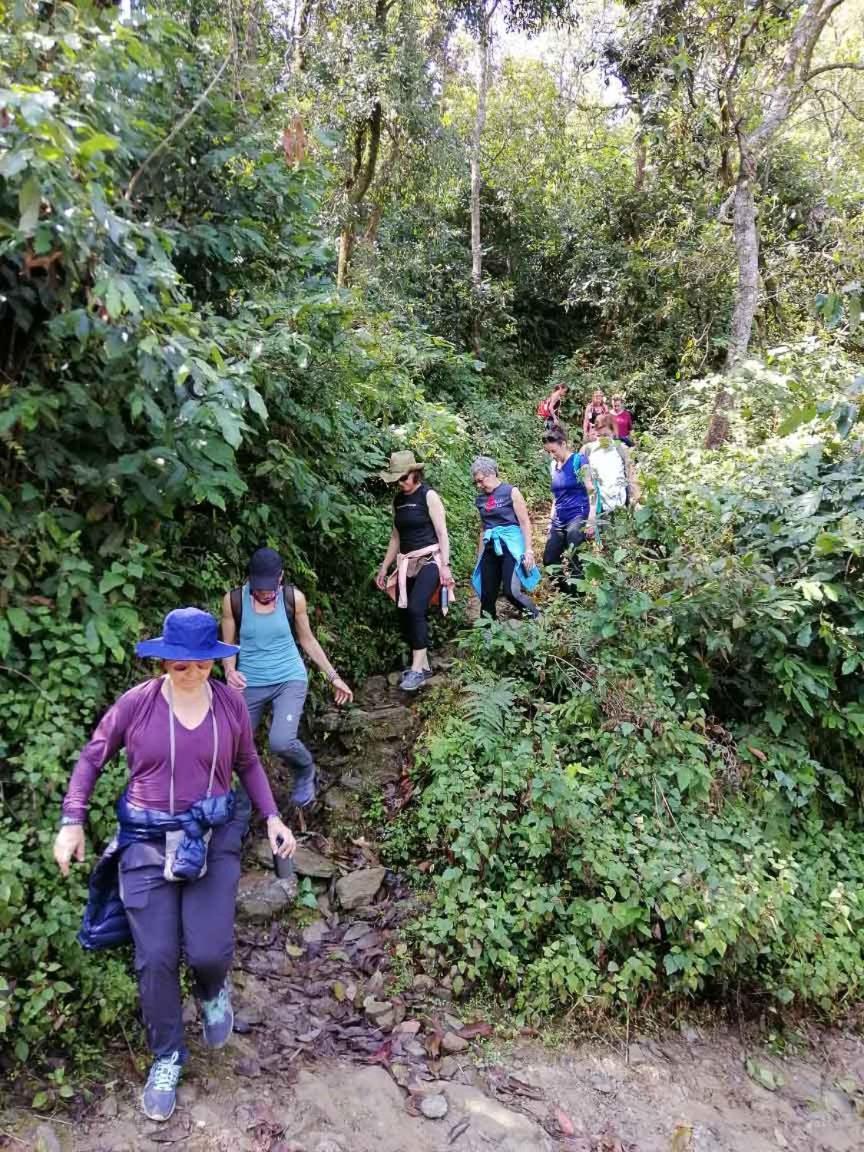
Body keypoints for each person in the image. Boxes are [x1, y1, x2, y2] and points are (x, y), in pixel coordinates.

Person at [53, 607, 297, 1123]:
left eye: (202, 664)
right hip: (144, 842)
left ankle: (212, 989)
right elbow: (93, 756)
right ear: (163, 661)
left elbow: (248, 763)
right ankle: (167, 1056)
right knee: (156, 958)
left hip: (212, 836)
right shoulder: (136, 706)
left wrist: (273, 817)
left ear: (214, 660)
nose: (191, 673)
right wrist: (72, 820)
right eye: (180, 665)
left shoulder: (229, 704)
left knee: (208, 950)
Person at [221, 548, 352, 823]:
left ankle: (305, 771)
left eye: (270, 588)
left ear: (280, 578)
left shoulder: (294, 599)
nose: (265, 594)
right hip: (250, 681)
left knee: (280, 741)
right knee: (235, 746)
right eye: (259, 588)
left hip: (288, 677)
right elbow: (228, 645)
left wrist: (333, 677)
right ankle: (242, 812)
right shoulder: (234, 601)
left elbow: (307, 640)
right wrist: (230, 670)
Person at [376, 450, 455, 692]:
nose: (400, 484)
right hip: (406, 563)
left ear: (414, 473)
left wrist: (446, 566)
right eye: (397, 480)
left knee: (416, 608)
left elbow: (442, 532)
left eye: (403, 478)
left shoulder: (428, 496)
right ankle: (425, 664)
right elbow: (396, 536)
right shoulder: (398, 501)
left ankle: (417, 670)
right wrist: (384, 567)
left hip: (431, 559)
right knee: (405, 613)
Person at [470, 456, 540, 619]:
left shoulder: (511, 492)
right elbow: (483, 528)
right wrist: (479, 558)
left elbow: (524, 522)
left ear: (492, 474)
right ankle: (487, 637)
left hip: (511, 546)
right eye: (476, 483)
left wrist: (528, 550)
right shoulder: (480, 499)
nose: (479, 485)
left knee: (511, 592)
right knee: (487, 596)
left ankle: (536, 618)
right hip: (490, 547)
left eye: (480, 481)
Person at [542, 428, 596, 590]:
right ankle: (566, 592)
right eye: (549, 452)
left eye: (554, 451)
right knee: (549, 560)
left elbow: (592, 491)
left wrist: (591, 521)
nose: (552, 455)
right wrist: (551, 521)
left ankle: (577, 598)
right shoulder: (554, 466)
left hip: (578, 515)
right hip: (559, 518)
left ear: (563, 444)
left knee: (576, 559)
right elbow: (556, 496)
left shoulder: (580, 461)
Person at [582, 412, 639, 513]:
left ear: (613, 433)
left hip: (619, 504)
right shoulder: (587, 450)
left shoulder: (621, 449)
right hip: (596, 507)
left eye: (606, 435)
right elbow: (582, 477)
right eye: (599, 435)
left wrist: (636, 500)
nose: (603, 439)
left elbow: (631, 476)